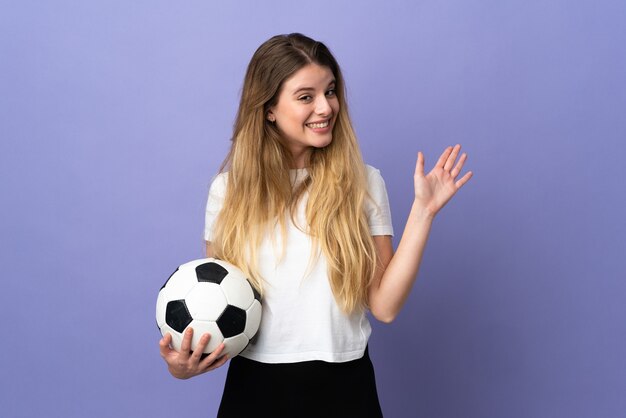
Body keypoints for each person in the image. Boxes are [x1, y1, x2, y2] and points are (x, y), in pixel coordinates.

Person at [159, 32, 473, 417]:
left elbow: (385, 306)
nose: (326, 107)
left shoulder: (363, 182)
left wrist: (423, 213)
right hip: (254, 390)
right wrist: (180, 367)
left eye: (330, 91)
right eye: (306, 96)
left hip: (345, 388)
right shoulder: (229, 191)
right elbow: (214, 310)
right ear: (269, 108)